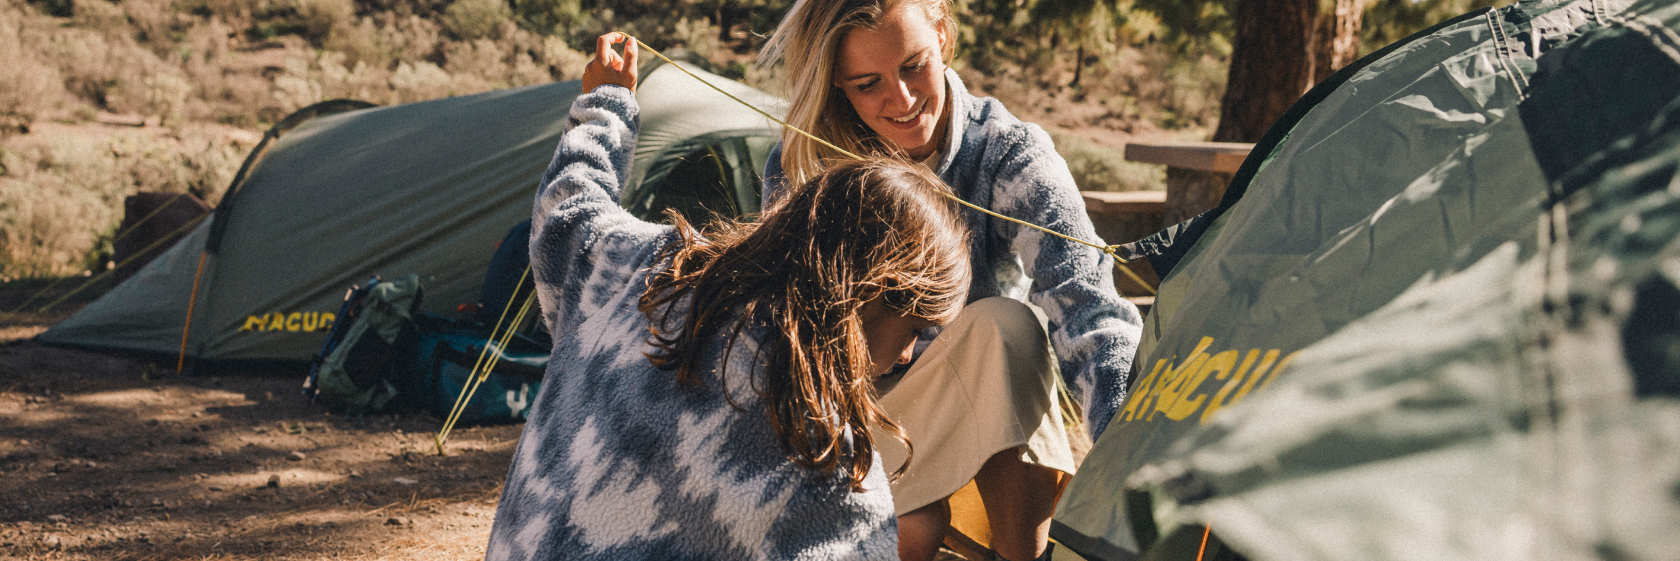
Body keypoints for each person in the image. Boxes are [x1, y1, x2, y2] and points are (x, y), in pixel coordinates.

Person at [484, 33, 974, 560]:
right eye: (915, 331)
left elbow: (569, 205)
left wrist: (606, 104)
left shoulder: (644, 270)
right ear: (867, 295)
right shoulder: (822, 465)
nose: (906, 355)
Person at [761, 1, 1145, 559]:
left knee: (1006, 326)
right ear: (838, 86)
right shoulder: (804, 163)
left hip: (977, 417)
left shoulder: (1007, 153)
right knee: (909, 529)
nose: (904, 98)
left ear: (941, 36)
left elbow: (1086, 304)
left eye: (914, 65)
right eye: (869, 84)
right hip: (853, 418)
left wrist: (1128, 451)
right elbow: (782, 338)